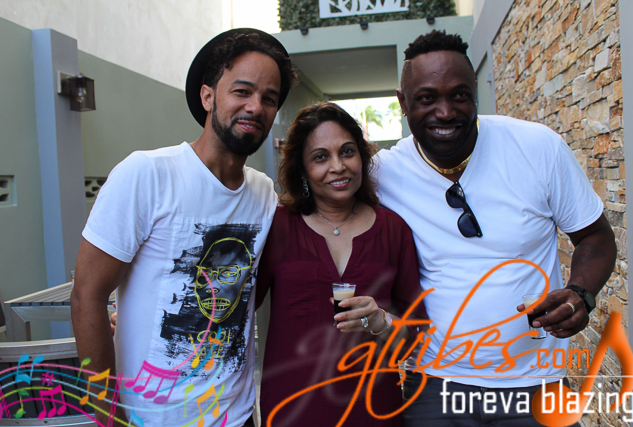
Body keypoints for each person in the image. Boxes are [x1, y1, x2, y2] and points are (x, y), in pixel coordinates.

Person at [375, 30, 617, 426]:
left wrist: (580, 294)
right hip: (434, 385)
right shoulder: (383, 174)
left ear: (475, 93)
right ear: (403, 103)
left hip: (537, 384)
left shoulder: (538, 148)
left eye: (459, 95)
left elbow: (595, 236)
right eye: (426, 98)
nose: (445, 112)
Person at [71, 28, 296, 427]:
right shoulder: (147, 175)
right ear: (208, 96)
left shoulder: (263, 194)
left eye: (269, 98)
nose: (255, 107)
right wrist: (108, 417)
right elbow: (86, 296)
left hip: (237, 416)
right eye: (242, 91)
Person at [254, 102, 428, 426]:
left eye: (347, 152)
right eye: (320, 157)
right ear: (302, 169)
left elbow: (415, 336)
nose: (338, 166)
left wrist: (381, 322)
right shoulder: (277, 227)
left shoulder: (393, 230)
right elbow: (237, 308)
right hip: (292, 411)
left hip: (374, 412)